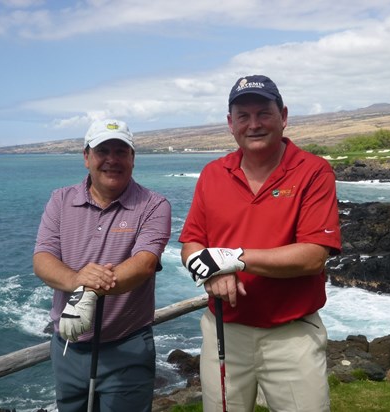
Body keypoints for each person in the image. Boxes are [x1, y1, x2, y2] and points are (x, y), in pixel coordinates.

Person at [180, 75, 342, 412]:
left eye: (263, 113)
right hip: (224, 330)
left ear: (283, 116)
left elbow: (313, 256)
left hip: (291, 334)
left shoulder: (313, 171)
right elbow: (192, 243)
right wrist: (211, 272)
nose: (253, 124)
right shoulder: (213, 173)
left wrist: (232, 258)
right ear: (230, 124)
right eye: (243, 116)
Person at [33, 119, 171, 412]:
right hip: (67, 346)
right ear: (86, 157)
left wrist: (88, 288)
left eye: (121, 151)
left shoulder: (154, 205)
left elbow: (144, 263)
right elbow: (42, 259)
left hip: (127, 346)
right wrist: (76, 279)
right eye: (102, 151)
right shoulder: (60, 200)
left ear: (133, 158)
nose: (112, 159)